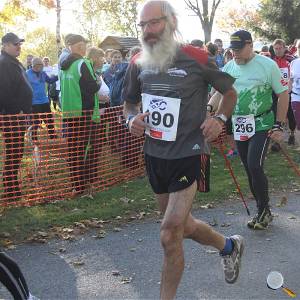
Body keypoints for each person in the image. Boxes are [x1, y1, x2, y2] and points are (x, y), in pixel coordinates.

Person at [123, 1, 244, 299]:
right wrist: (130, 119)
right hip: (155, 154)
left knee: (169, 232)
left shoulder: (196, 57)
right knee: (180, 227)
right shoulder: (137, 61)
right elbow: (128, 103)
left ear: (172, 22)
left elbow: (229, 92)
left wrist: (219, 118)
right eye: (143, 25)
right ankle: (229, 246)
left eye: (154, 23)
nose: (148, 31)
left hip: (190, 151)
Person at [211, 30, 289, 230]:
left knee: (255, 165)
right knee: (248, 168)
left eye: (239, 49)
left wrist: (279, 124)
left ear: (250, 45)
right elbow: (218, 94)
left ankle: (264, 210)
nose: (235, 53)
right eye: (232, 49)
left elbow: (283, 95)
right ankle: (262, 210)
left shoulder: (267, 65)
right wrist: (208, 111)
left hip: (263, 124)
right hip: (240, 124)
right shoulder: (228, 67)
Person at [60, 34, 100, 195]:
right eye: (80, 45)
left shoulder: (63, 65)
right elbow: (92, 88)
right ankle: (85, 186)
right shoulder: (83, 63)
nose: (83, 48)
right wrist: (98, 81)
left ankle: (76, 184)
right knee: (87, 150)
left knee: (74, 149)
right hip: (86, 114)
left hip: (70, 114)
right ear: (73, 46)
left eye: (84, 45)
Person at [0, 32, 33, 201]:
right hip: (11, 116)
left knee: (16, 151)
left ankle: (12, 188)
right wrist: (16, 110)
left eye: (20, 43)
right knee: (14, 152)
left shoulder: (12, 61)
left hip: (18, 115)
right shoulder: (4, 63)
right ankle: (11, 190)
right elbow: (4, 92)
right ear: (5, 45)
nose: (19, 46)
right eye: (15, 44)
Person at [271, 39, 296, 147]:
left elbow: (295, 76)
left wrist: (291, 86)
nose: (278, 51)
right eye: (276, 49)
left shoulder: (291, 60)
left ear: (284, 48)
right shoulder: (271, 61)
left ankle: (292, 133)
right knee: (276, 114)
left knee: (291, 115)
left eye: (280, 48)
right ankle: (277, 141)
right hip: (274, 92)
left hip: (288, 91)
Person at [26, 57, 58, 142]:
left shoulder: (43, 73)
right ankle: (34, 139)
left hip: (44, 100)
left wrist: (58, 76)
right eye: (37, 65)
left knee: (49, 120)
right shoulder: (27, 74)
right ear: (33, 65)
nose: (39, 67)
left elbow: (50, 80)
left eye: (41, 65)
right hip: (34, 102)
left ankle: (53, 137)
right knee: (35, 122)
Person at [289, 40, 300, 144]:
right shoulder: (294, 63)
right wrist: (286, 93)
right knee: (299, 124)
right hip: (296, 97)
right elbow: (291, 80)